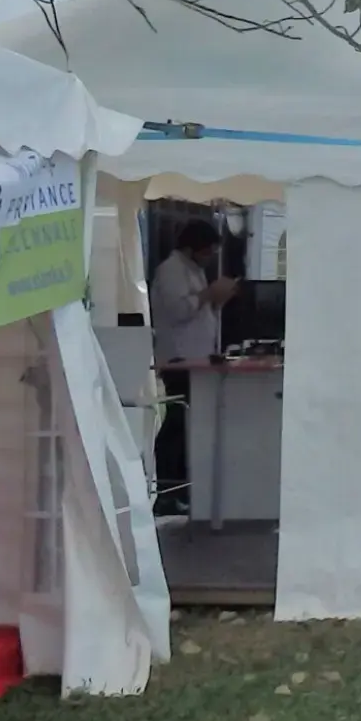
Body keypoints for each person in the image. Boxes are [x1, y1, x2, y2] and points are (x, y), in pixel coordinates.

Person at [149, 218, 238, 517]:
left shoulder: (194, 270)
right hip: (179, 358)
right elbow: (179, 310)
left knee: (188, 426)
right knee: (177, 424)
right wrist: (208, 295)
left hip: (198, 357)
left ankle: (184, 489)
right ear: (192, 246)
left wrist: (216, 300)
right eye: (207, 251)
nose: (210, 257)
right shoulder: (171, 270)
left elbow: (200, 309)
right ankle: (167, 490)